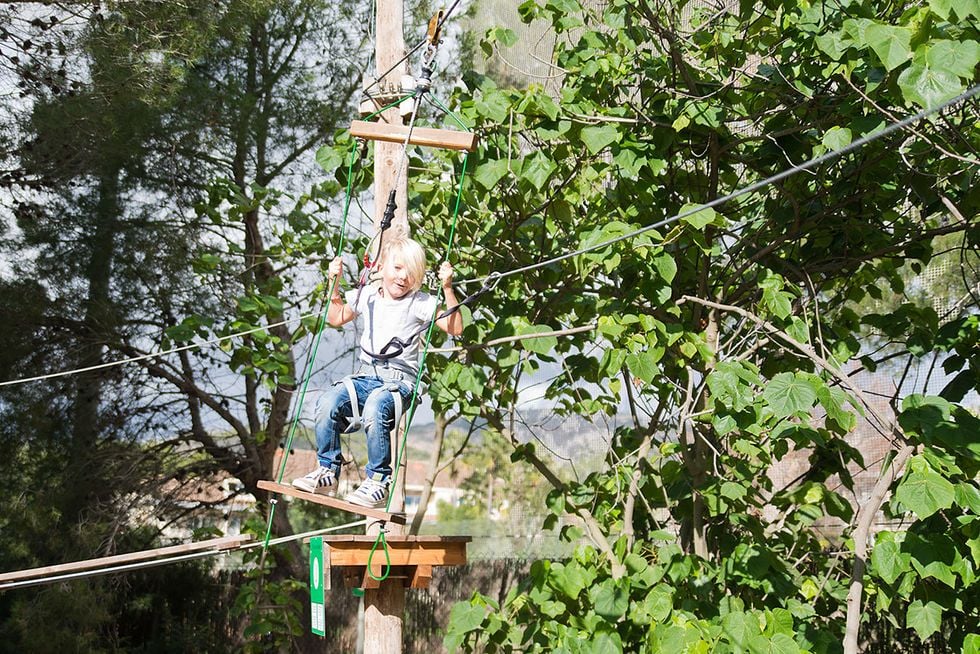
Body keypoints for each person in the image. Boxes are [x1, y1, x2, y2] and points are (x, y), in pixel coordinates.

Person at [292, 236, 463, 508]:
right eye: (397, 268)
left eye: (411, 273)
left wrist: (447, 288)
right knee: (327, 401)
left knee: (375, 407)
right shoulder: (367, 295)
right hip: (366, 376)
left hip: (400, 383)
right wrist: (333, 283)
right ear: (381, 267)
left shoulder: (419, 302)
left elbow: (455, 327)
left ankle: (378, 480)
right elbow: (335, 318)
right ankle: (327, 471)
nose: (403, 277)